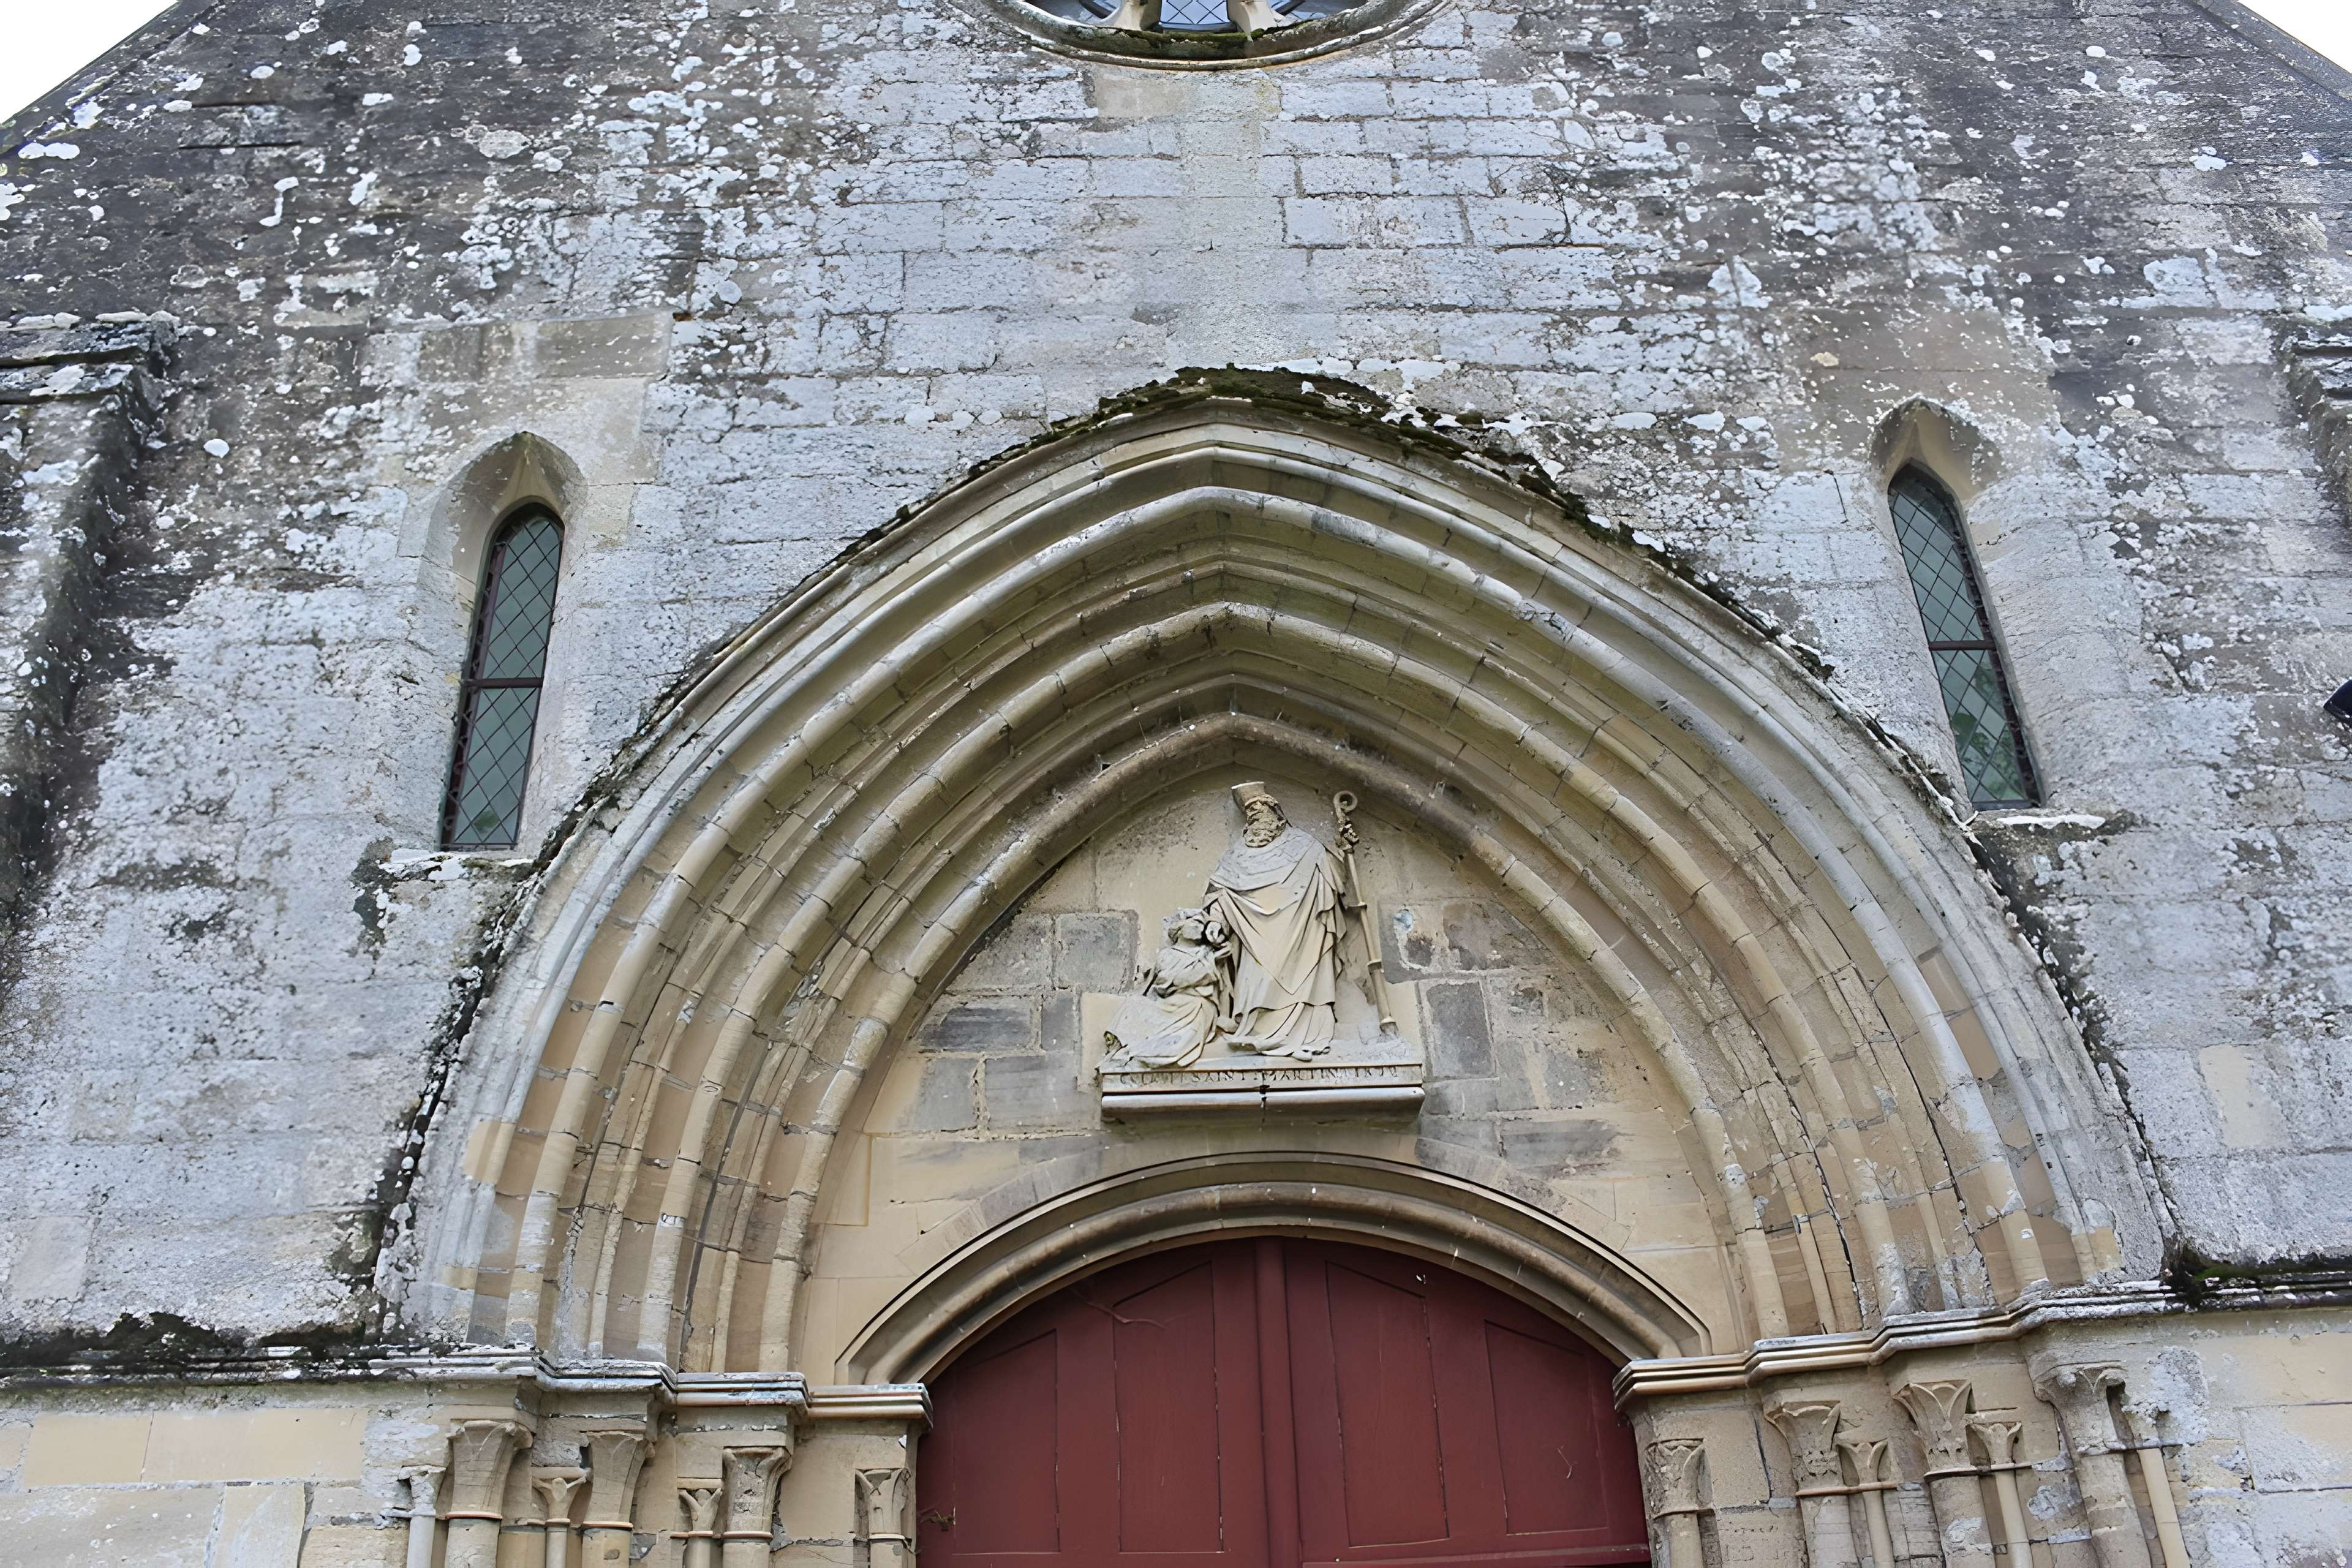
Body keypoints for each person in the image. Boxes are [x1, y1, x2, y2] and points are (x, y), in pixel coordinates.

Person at [1202, 782, 1343, 1058]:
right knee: (1257, 986)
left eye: (1261, 811)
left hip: (1302, 935)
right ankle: (1256, 1035)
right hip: (1254, 941)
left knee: (1305, 980)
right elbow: (1220, 894)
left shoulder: (1305, 846)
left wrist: (1343, 851)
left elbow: (1336, 881)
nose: (1257, 819)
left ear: (1276, 813)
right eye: (1251, 814)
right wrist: (1217, 922)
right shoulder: (1236, 857)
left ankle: (1304, 1032)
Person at [1102, 908, 1223, 1068]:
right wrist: (1201, 970)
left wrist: (1215, 931)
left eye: (1202, 925)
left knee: (1173, 1046)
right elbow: (1166, 983)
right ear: (1179, 928)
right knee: (1133, 1006)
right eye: (1195, 923)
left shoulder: (1207, 953)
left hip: (1194, 1007)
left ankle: (1140, 1053)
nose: (1199, 928)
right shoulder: (1168, 955)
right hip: (1168, 1005)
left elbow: (1207, 974)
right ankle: (1121, 1049)